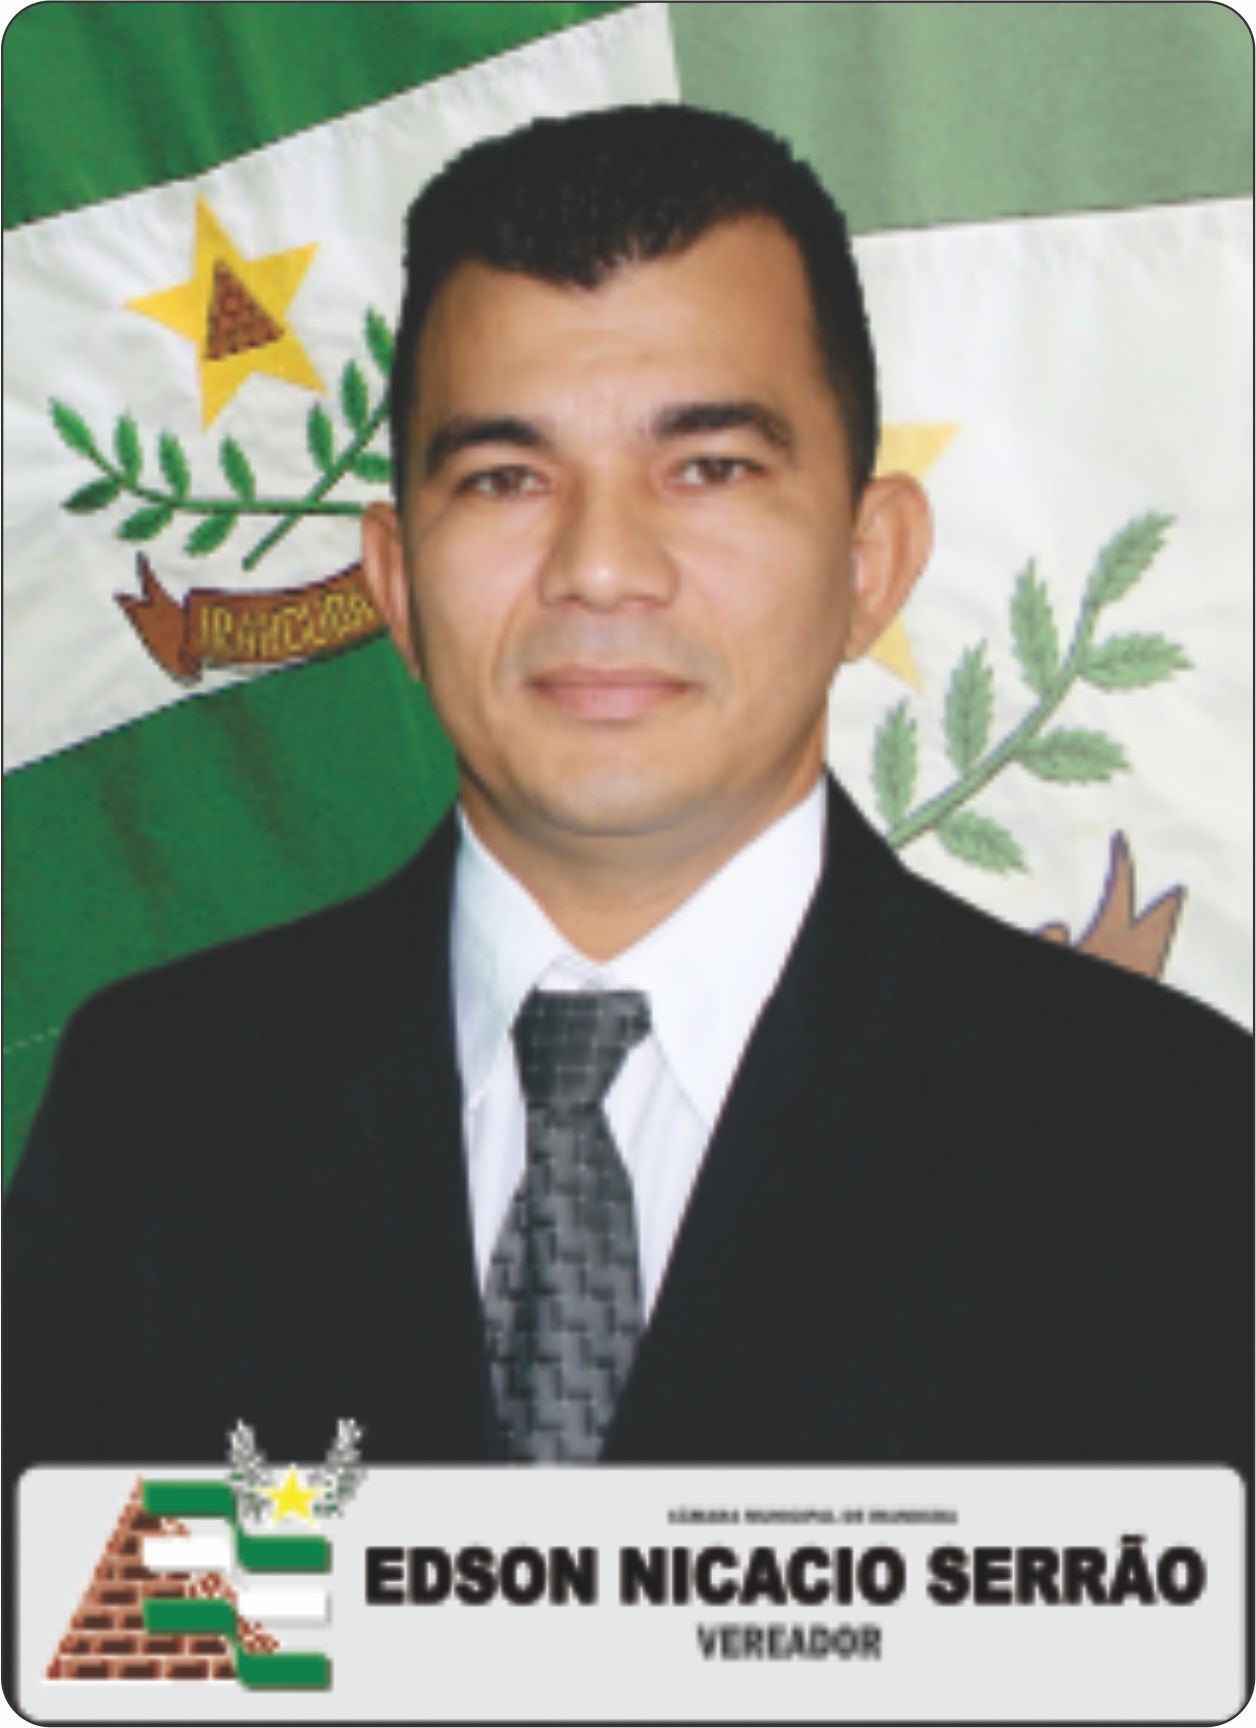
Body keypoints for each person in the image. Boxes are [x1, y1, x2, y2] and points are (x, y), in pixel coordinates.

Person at [5, 106, 1250, 1480]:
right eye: (505, 477)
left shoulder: (1176, 1145)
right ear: (397, 585)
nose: (600, 566)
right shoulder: (154, 1113)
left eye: (708, 468)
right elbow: (108, 1614)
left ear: (870, 563)